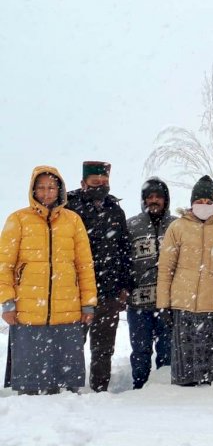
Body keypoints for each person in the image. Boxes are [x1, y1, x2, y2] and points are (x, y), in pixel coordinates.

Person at [1, 166, 97, 394]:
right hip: (28, 311)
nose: (46, 192)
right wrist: (7, 302)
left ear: (60, 190)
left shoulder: (73, 221)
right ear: (33, 190)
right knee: (31, 383)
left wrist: (88, 302)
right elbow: (4, 265)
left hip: (67, 309)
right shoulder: (18, 219)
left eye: (51, 187)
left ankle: (66, 404)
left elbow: (84, 265)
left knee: (65, 384)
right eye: (41, 187)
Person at [156, 176, 213, 386]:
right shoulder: (177, 227)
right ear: (191, 203)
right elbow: (166, 269)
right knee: (186, 364)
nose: (204, 206)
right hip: (183, 304)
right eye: (199, 202)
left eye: (208, 202)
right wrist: (163, 304)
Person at [67, 161, 132, 392]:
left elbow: (125, 250)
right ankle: (70, 389)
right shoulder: (70, 209)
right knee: (73, 344)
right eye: (95, 183)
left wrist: (125, 286)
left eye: (104, 183)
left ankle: (99, 388)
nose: (101, 186)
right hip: (76, 292)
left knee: (104, 347)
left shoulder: (115, 210)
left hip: (109, 290)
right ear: (83, 183)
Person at [126, 177, 177, 389]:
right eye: (150, 197)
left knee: (167, 349)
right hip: (139, 302)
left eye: (158, 197)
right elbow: (122, 261)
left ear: (166, 200)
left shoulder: (176, 226)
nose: (154, 201)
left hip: (168, 302)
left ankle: (163, 388)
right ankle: (139, 386)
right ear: (143, 200)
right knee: (140, 349)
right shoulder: (131, 225)